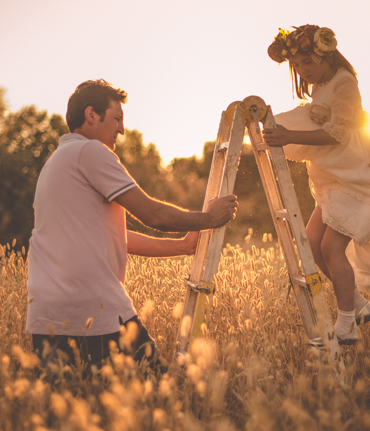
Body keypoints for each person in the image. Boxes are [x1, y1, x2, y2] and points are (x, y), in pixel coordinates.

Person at [26, 79, 238, 373]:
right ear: (91, 115)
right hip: (95, 311)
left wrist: (183, 246)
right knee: (159, 394)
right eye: (116, 118)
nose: (122, 130)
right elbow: (153, 214)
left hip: (48, 318)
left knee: (76, 413)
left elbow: (113, 237)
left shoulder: (55, 163)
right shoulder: (91, 153)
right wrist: (209, 218)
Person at [263, 25, 370, 344]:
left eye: (307, 63)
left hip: (359, 171)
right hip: (334, 173)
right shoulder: (319, 85)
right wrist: (286, 125)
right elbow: (315, 117)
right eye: (297, 66)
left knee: (330, 247)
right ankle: (358, 303)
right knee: (312, 243)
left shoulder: (345, 82)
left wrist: (289, 136)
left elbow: (337, 133)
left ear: (326, 56)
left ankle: (347, 324)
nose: (303, 71)